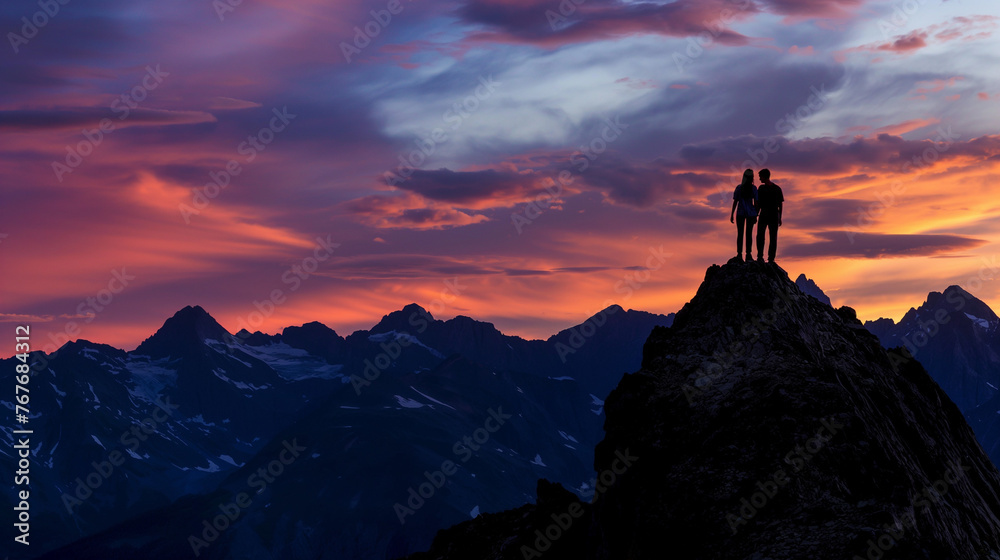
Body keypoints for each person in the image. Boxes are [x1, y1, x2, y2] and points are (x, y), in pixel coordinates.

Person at [755, 168, 784, 263]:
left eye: (760, 177)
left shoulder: (771, 189)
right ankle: (762, 257)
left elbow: (780, 204)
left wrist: (780, 217)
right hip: (769, 214)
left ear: (764, 176)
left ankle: (769, 258)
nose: (759, 179)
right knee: (763, 235)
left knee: (770, 236)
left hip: (770, 214)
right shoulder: (774, 188)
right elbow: (780, 205)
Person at [729, 169, 758, 261]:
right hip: (749, 213)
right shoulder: (753, 188)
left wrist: (732, 214)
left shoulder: (739, 188)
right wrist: (756, 214)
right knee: (748, 234)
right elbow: (756, 202)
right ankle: (748, 254)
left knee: (740, 234)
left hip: (741, 213)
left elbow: (735, 202)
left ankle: (739, 254)